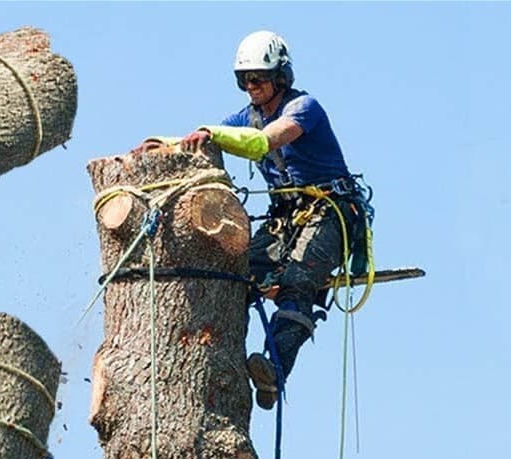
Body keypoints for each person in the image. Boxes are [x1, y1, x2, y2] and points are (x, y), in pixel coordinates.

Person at [140, 30, 370, 410]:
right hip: (286, 219)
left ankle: (274, 371)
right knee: (234, 273)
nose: (251, 86)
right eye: (244, 79)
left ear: (280, 77)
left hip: (331, 214)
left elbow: (263, 142)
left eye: (258, 78)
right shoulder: (248, 115)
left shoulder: (304, 108)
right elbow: (212, 135)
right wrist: (168, 142)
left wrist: (209, 133)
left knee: (298, 282)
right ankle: (214, 363)